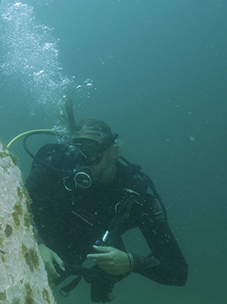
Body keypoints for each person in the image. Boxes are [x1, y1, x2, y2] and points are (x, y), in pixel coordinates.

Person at [25, 117, 188, 302]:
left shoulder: (133, 195)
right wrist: (35, 242)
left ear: (113, 152)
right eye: (76, 153)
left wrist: (131, 262)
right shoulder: (57, 164)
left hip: (66, 258)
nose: (82, 162)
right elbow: (16, 203)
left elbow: (178, 271)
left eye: (90, 153)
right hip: (29, 238)